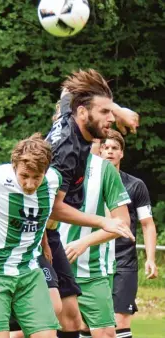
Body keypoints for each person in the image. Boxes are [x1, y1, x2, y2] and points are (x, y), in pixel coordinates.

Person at [0, 133, 134, 338]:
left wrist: (103, 221)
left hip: (29, 272)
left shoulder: (53, 180)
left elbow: (56, 210)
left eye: (36, 178)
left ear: (46, 170)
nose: (29, 184)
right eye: (24, 176)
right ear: (14, 166)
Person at [42, 69, 139, 338]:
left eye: (111, 113)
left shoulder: (70, 114)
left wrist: (118, 111)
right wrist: (102, 221)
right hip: (35, 234)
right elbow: (54, 209)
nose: (111, 119)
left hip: (50, 236)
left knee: (71, 319)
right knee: (43, 321)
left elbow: (68, 93)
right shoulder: (66, 151)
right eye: (105, 113)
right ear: (84, 113)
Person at [57, 139, 131, 338]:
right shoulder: (47, 163)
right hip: (51, 267)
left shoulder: (104, 169)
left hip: (92, 269)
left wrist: (85, 242)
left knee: (106, 333)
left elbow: (122, 223)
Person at [100, 129, 158, 338]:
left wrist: (150, 259)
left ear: (122, 153)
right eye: (105, 147)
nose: (109, 152)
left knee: (119, 322)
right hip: (92, 260)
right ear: (98, 150)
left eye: (114, 148)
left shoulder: (135, 186)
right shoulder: (85, 183)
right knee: (87, 324)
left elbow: (147, 224)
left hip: (123, 261)